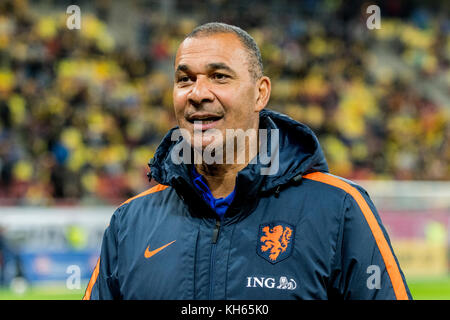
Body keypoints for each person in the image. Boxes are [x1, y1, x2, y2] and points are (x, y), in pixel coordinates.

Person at [83, 22, 411, 300]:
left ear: (260, 93)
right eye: (185, 79)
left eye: (219, 77)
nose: (197, 93)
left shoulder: (340, 209)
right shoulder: (130, 223)